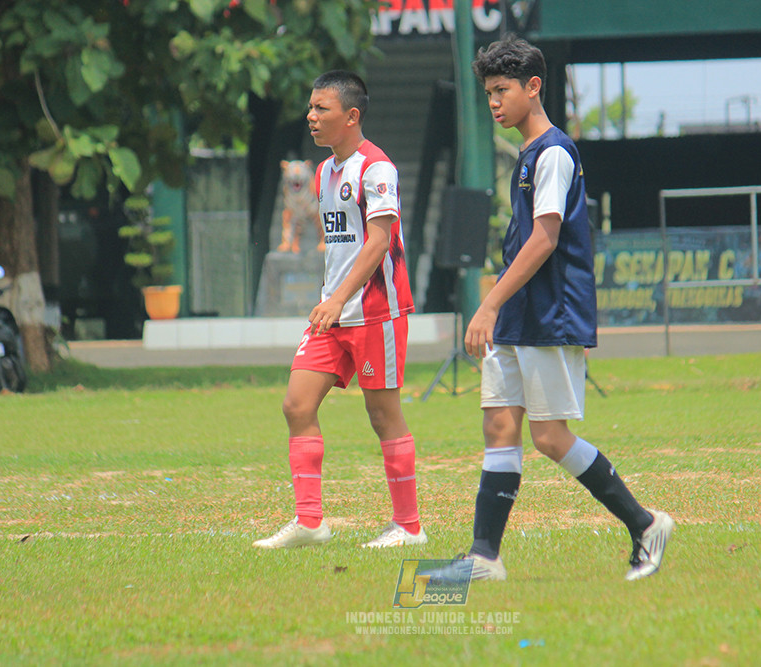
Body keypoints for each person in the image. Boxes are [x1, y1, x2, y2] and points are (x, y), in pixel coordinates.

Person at [436, 38, 673, 581]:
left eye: (502, 91)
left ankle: (645, 523)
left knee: (548, 437)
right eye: (489, 93)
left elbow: (544, 240)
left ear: (533, 86)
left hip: (547, 313)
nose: (494, 102)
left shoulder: (554, 152)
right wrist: (499, 306)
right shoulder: (525, 153)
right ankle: (483, 557)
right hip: (517, 315)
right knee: (500, 427)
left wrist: (487, 304)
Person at [254, 71, 426, 550]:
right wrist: (330, 297)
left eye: (321, 108)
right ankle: (310, 523)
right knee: (296, 404)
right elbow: (341, 244)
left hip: (376, 311)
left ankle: (409, 527)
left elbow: (379, 242)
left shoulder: (378, 169)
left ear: (351, 116)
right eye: (310, 108)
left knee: (383, 414)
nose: (311, 116)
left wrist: (337, 298)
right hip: (333, 312)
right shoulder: (326, 172)